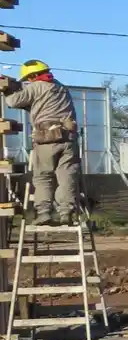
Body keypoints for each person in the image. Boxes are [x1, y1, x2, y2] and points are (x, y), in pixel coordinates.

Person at [4, 60, 80, 226]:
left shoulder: (36, 86)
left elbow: (13, 102)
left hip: (47, 139)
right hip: (69, 138)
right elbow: (38, 106)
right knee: (67, 176)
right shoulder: (60, 87)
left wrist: (7, 89)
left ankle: (44, 213)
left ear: (33, 76)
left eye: (28, 79)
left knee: (43, 177)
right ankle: (66, 212)